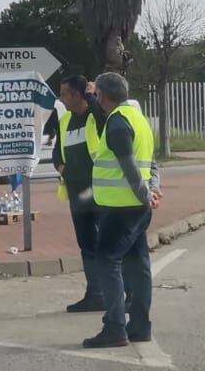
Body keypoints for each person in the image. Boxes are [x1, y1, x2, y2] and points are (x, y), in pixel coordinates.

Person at [83, 72, 161, 350]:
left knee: (107, 263)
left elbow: (129, 167)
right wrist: (151, 191)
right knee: (138, 264)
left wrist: (145, 194)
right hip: (137, 208)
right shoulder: (139, 119)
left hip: (119, 208)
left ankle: (115, 327)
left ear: (101, 96)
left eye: (96, 96)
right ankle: (140, 326)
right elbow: (151, 164)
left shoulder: (117, 122)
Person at [53, 74, 107, 313]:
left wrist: (91, 96)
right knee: (87, 245)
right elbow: (57, 153)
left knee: (108, 244)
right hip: (77, 195)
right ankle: (95, 293)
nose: (61, 98)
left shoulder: (96, 117)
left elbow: (103, 120)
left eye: (65, 93)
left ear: (77, 94)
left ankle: (120, 293)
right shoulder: (64, 121)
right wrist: (64, 168)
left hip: (101, 192)